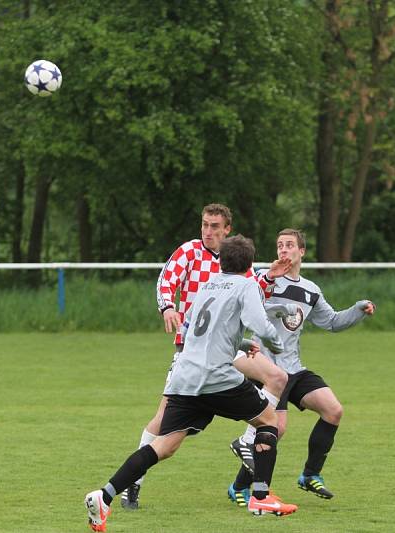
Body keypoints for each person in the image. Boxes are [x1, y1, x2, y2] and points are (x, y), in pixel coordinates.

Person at [85, 236, 298, 532]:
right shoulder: (247, 284)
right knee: (268, 421)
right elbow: (259, 322)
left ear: (221, 260)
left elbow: (196, 330)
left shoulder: (207, 285)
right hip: (216, 376)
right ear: (249, 264)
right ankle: (260, 496)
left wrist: (242, 341)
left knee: (166, 444)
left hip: (185, 376)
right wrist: (275, 344)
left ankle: (104, 495)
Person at [122, 203, 291, 510]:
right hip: (193, 350)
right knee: (162, 423)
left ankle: (248, 439)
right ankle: (133, 482)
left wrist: (267, 278)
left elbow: (249, 296)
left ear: (227, 230)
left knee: (278, 376)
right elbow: (165, 281)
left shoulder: (235, 260)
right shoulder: (189, 252)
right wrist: (168, 306)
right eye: (205, 224)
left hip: (228, 350)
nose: (208, 231)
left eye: (215, 226)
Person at [226, 228, 375, 506]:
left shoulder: (310, 290)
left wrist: (357, 310)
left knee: (333, 410)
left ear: (301, 252)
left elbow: (331, 322)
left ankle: (310, 475)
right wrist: (272, 290)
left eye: (289, 245)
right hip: (268, 369)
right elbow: (248, 307)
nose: (283, 250)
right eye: (280, 245)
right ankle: (241, 487)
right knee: (276, 429)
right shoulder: (262, 279)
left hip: (294, 367)